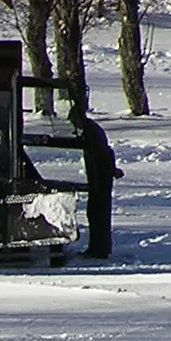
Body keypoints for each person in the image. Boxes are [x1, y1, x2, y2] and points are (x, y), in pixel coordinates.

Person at [69, 96, 120, 259]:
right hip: (98, 177)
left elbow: (102, 155)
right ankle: (97, 247)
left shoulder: (91, 132)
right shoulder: (89, 130)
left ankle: (99, 249)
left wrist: (108, 172)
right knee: (95, 213)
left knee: (98, 214)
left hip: (100, 177)